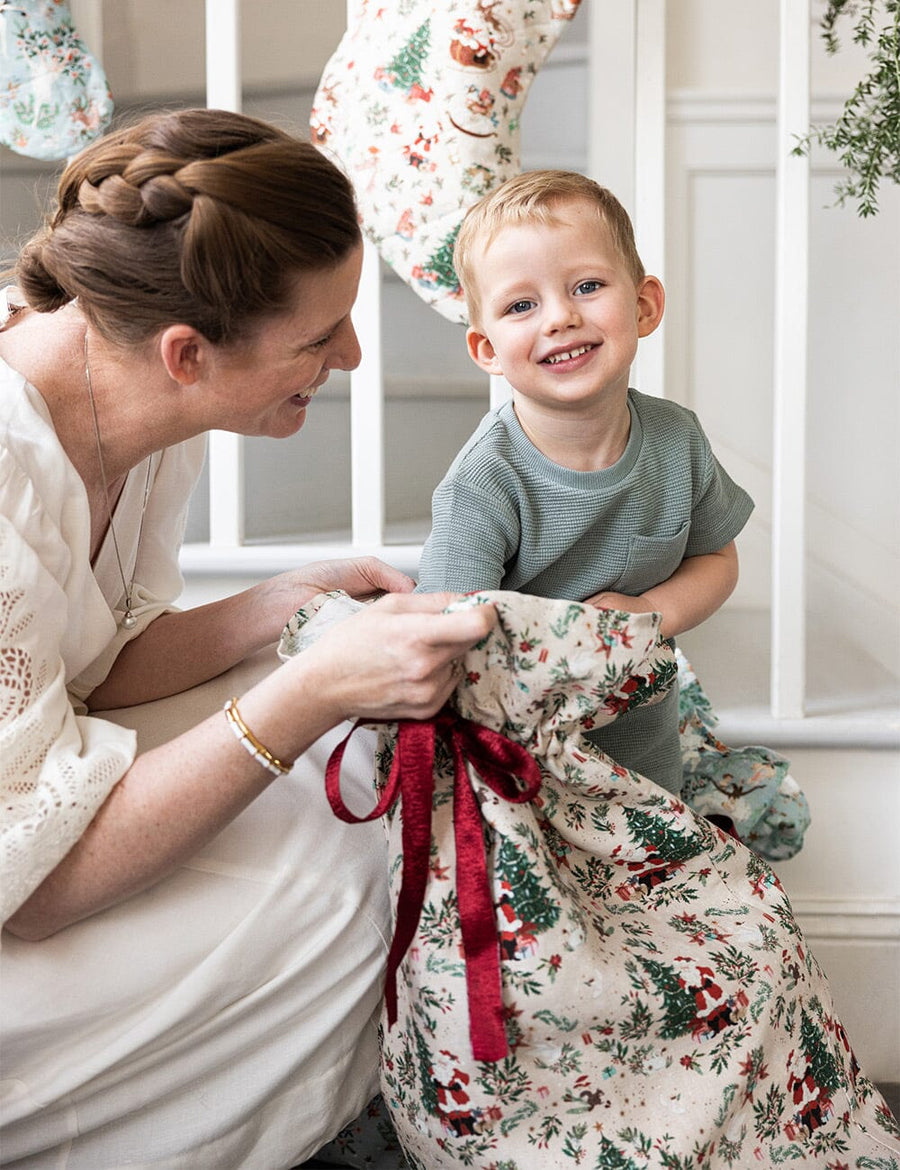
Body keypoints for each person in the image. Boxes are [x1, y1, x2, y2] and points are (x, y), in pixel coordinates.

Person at [0, 107, 496, 1169]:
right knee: (334, 892)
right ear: (186, 353)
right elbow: (31, 885)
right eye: (319, 337)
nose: (352, 354)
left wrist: (280, 603)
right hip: (18, 888)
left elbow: (97, 664)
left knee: (357, 788)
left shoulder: (128, 391)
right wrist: (307, 690)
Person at [416, 170, 753, 793]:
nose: (561, 318)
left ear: (644, 306)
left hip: (644, 759)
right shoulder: (485, 480)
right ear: (487, 349)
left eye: (587, 287)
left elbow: (716, 560)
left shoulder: (677, 440)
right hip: (517, 766)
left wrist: (648, 612)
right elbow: (443, 628)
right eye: (522, 306)